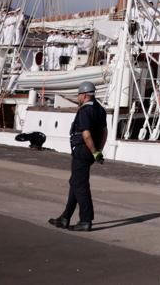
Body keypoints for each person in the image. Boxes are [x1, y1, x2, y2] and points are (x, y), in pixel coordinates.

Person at [49, 80, 106, 232]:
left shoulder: (84, 111)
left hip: (82, 150)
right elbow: (104, 132)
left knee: (80, 185)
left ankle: (86, 220)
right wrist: (98, 151)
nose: (78, 97)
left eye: (79, 94)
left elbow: (86, 134)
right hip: (91, 151)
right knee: (76, 182)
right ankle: (65, 217)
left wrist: (94, 151)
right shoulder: (100, 109)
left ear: (85, 95)